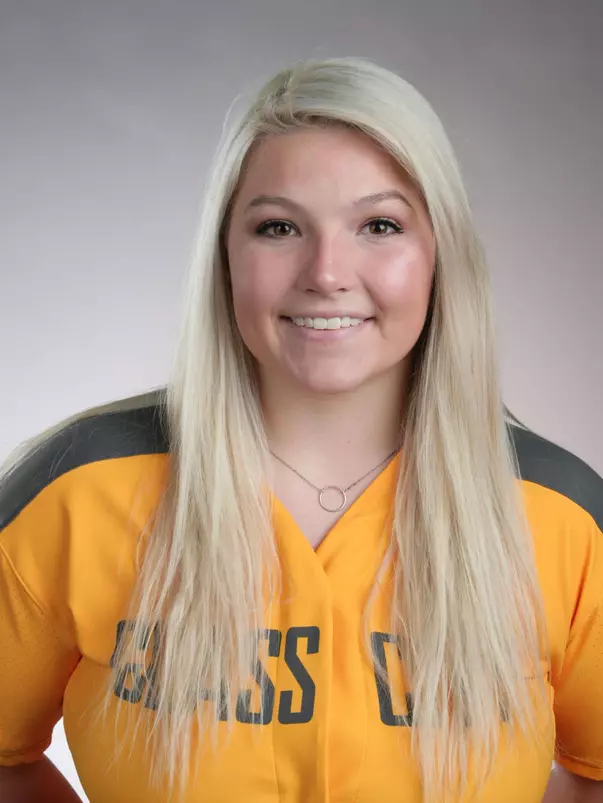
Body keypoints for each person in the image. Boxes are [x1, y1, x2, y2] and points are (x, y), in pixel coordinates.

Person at [0, 56, 601, 803]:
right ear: (224, 256)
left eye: (378, 225)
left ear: (440, 255)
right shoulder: (75, 489)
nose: (325, 271)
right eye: (278, 227)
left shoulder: (562, 516)